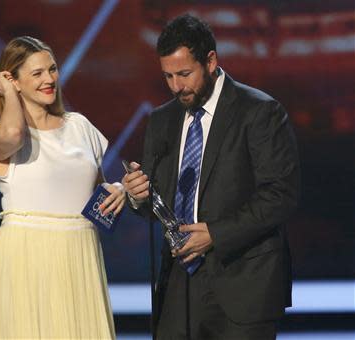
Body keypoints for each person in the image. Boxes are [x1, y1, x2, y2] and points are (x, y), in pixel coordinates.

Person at [123, 14, 300, 339]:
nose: (177, 86)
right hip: (179, 286)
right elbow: (155, 203)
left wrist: (215, 234)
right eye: (168, 76)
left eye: (185, 74)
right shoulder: (162, 120)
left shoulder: (259, 111)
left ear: (211, 61)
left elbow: (280, 194)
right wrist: (137, 195)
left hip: (243, 281)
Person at [0, 36, 123, 339]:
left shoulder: (80, 127)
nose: (49, 79)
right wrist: (7, 94)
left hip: (79, 258)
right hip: (26, 261)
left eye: (53, 69)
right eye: (37, 73)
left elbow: (97, 195)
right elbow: (15, 133)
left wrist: (121, 192)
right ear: (13, 80)